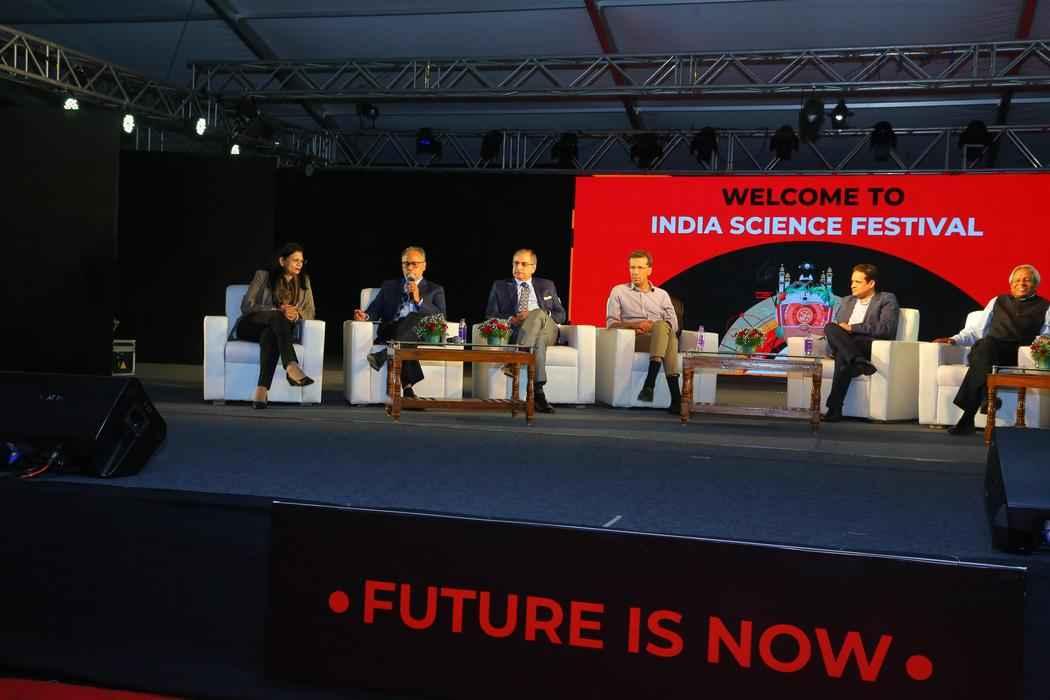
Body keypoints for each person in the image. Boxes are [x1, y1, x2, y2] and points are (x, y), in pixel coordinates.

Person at [934, 264, 1050, 436]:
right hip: (992, 349)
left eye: (1027, 280)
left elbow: (1046, 335)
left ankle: (970, 415)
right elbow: (976, 330)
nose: (1021, 283)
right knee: (985, 345)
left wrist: (1036, 347)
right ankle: (986, 399)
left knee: (981, 357)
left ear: (1035, 284)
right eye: (1017, 280)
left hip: (1018, 354)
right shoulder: (998, 301)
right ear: (1011, 284)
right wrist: (954, 339)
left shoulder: (1045, 306)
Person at [353, 246, 447, 398]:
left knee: (414, 319)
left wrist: (419, 300)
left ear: (424, 266)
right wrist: (365, 316)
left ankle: (387, 357)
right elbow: (374, 310)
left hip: (419, 333)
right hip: (391, 330)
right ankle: (405, 384)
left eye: (414, 264)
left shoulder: (435, 289)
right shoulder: (389, 286)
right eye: (406, 264)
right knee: (405, 331)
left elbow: (441, 317)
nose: (409, 268)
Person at [234, 242, 316, 409]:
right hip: (251, 325)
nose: (300, 264)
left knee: (270, 336)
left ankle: (261, 392)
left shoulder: (304, 281)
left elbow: (310, 312)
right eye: (295, 260)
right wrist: (277, 310)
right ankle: (291, 365)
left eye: (302, 261)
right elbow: (246, 306)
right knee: (278, 318)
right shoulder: (263, 276)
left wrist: (296, 314)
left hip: (278, 331)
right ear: (282, 261)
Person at [484, 249, 566, 414]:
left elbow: (561, 315)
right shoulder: (500, 286)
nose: (518, 267)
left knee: (538, 313)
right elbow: (490, 314)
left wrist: (537, 314)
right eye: (515, 263)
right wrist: (511, 319)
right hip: (520, 330)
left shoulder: (547, 285)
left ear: (533, 268)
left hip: (548, 329)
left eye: (523, 264)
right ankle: (538, 394)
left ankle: (516, 359)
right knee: (538, 341)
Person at [605, 250, 682, 414]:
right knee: (669, 337)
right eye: (632, 267)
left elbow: (674, 324)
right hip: (636, 338)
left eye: (640, 268)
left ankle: (652, 386)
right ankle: (673, 397)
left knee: (664, 329)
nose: (635, 272)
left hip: (659, 335)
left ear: (649, 270)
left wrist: (654, 326)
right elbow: (611, 324)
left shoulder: (662, 295)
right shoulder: (618, 291)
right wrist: (636, 325)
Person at [822, 264, 900, 422]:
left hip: (867, 344)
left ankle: (834, 408)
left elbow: (886, 329)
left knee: (843, 356)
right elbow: (838, 329)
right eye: (852, 281)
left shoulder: (886, 299)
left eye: (857, 282)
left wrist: (853, 328)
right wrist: (843, 332)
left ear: (871, 283)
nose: (852, 285)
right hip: (846, 343)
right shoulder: (847, 301)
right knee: (830, 327)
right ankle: (857, 361)